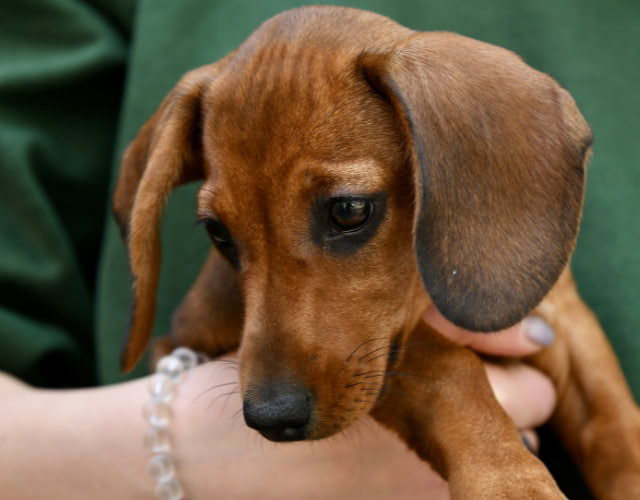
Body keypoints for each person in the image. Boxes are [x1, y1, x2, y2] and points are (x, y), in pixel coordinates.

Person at [1, 1, 638, 499]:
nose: (271, 395)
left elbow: (609, 434)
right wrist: (166, 444)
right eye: (224, 237)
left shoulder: (492, 221)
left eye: (347, 213)